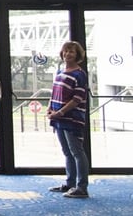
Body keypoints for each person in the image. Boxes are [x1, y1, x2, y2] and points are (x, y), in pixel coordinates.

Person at [47, 40, 89, 199]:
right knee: (67, 152)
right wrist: (50, 108)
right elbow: (55, 92)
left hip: (71, 118)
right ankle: (70, 183)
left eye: (71, 51)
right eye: (65, 51)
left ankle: (82, 187)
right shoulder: (60, 72)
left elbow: (77, 99)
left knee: (77, 151)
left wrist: (61, 112)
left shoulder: (79, 74)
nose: (67, 54)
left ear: (77, 55)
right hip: (58, 118)